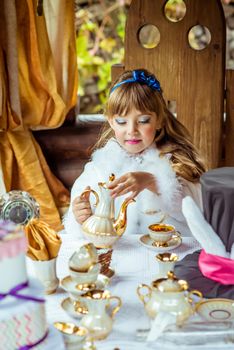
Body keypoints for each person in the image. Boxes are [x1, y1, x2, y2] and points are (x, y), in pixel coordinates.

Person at [64, 69, 206, 237]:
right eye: (122, 121)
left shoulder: (176, 160)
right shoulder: (101, 166)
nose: (132, 130)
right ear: (111, 122)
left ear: (159, 120)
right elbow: (82, 206)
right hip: (120, 253)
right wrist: (81, 216)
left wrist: (153, 182)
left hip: (172, 252)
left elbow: (199, 209)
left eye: (143, 121)